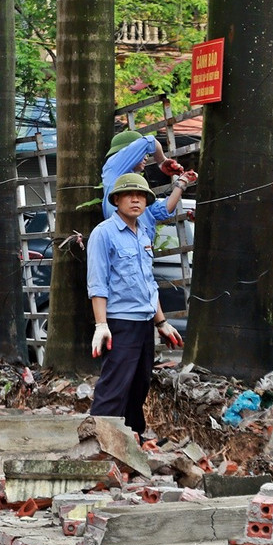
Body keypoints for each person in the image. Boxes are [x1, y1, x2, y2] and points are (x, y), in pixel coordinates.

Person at [88, 172, 184, 436]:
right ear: (116, 199)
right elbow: (97, 282)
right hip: (119, 323)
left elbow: (148, 284)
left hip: (144, 323)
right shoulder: (103, 234)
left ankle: (132, 439)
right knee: (115, 386)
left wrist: (161, 322)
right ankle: (99, 442)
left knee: (139, 384)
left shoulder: (142, 233)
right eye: (130, 195)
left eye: (141, 195)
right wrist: (101, 324)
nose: (136, 200)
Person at [101, 130, 196, 235]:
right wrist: (162, 161)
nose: (146, 157)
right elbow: (149, 142)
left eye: (147, 154)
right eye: (141, 153)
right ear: (127, 153)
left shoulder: (136, 182)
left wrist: (182, 183)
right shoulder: (113, 168)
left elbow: (162, 211)